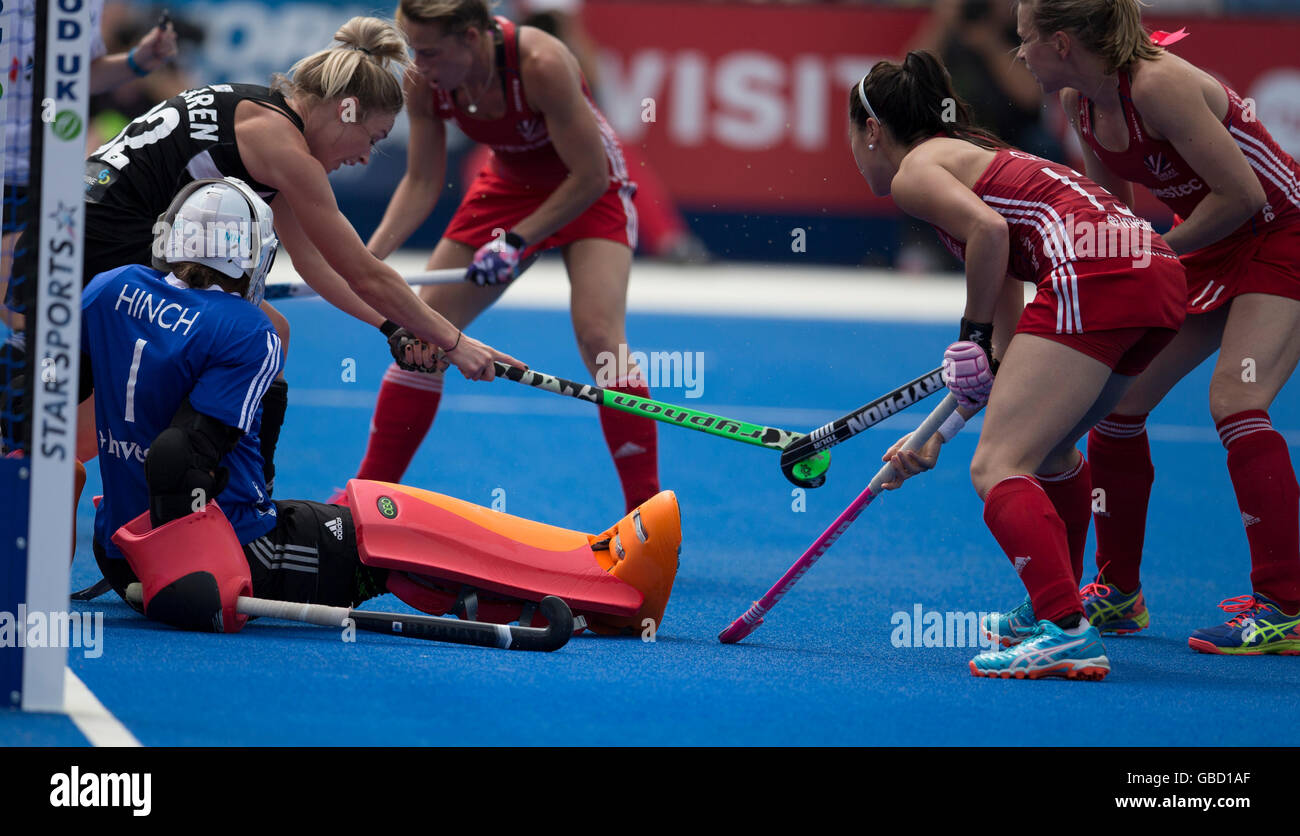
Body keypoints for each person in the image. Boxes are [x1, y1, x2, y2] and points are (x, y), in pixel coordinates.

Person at [83, 177, 678, 636]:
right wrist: (189, 574)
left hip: (119, 547)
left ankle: (578, 581)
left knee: (349, 505)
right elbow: (175, 456)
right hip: (206, 557)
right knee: (393, 525)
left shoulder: (110, 289)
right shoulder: (242, 328)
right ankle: (602, 589)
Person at [5, 16, 523, 477]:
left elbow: (320, 266)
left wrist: (395, 327)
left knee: (259, 334)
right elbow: (364, 271)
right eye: (372, 136)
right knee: (253, 338)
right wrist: (456, 342)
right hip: (90, 254)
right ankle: (208, 495)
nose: (366, 157)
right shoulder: (283, 148)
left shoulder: (263, 118)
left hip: (66, 240)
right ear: (346, 109)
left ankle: (167, 487)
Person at [854, 51, 1186, 679]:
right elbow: (1007, 344)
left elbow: (989, 236)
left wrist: (971, 337)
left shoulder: (916, 172)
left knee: (998, 465)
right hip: (1153, 275)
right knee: (1050, 449)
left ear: (872, 129)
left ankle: (1065, 629)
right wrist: (935, 435)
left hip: (1097, 278)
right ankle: (1050, 607)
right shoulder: (967, 158)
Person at [1006, 0, 1300, 655]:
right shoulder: (1082, 104)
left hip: (1283, 237)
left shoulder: (1158, 84)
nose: (1016, 54)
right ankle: (1118, 594)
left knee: (1236, 399)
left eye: (1023, 39)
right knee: (1120, 404)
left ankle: (1287, 607)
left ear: (1060, 43)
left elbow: (1246, 197)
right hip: (1214, 244)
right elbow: (1114, 217)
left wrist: (1154, 254)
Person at [333, 0, 658, 515]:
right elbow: (421, 181)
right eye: (414, 49)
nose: (419, 65)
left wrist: (515, 240)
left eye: (430, 51)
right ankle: (363, 500)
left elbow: (591, 176)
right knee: (425, 334)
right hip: (508, 187)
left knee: (601, 339)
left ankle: (646, 513)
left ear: (472, 37)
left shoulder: (541, 64)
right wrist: (364, 259)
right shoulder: (428, 79)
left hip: (589, 187)